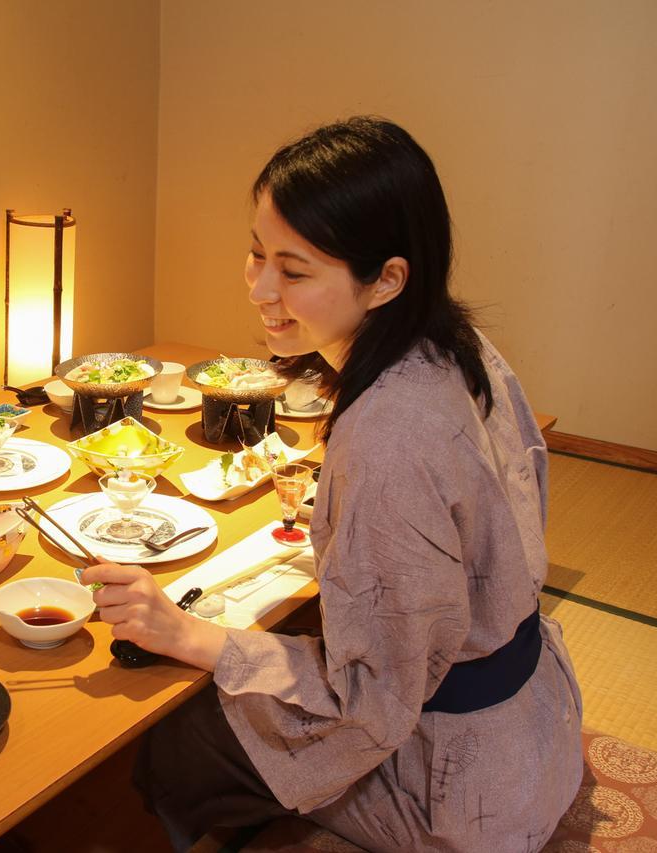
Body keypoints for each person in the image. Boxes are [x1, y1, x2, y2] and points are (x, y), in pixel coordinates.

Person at [82, 117, 584, 851]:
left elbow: (370, 704)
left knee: (173, 739)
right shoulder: (457, 341)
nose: (259, 288)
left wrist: (183, 632)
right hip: (537, 721)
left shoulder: (387, 433)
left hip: (460, 784)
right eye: (256, 254)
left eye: (294, 269)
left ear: (386, 278)